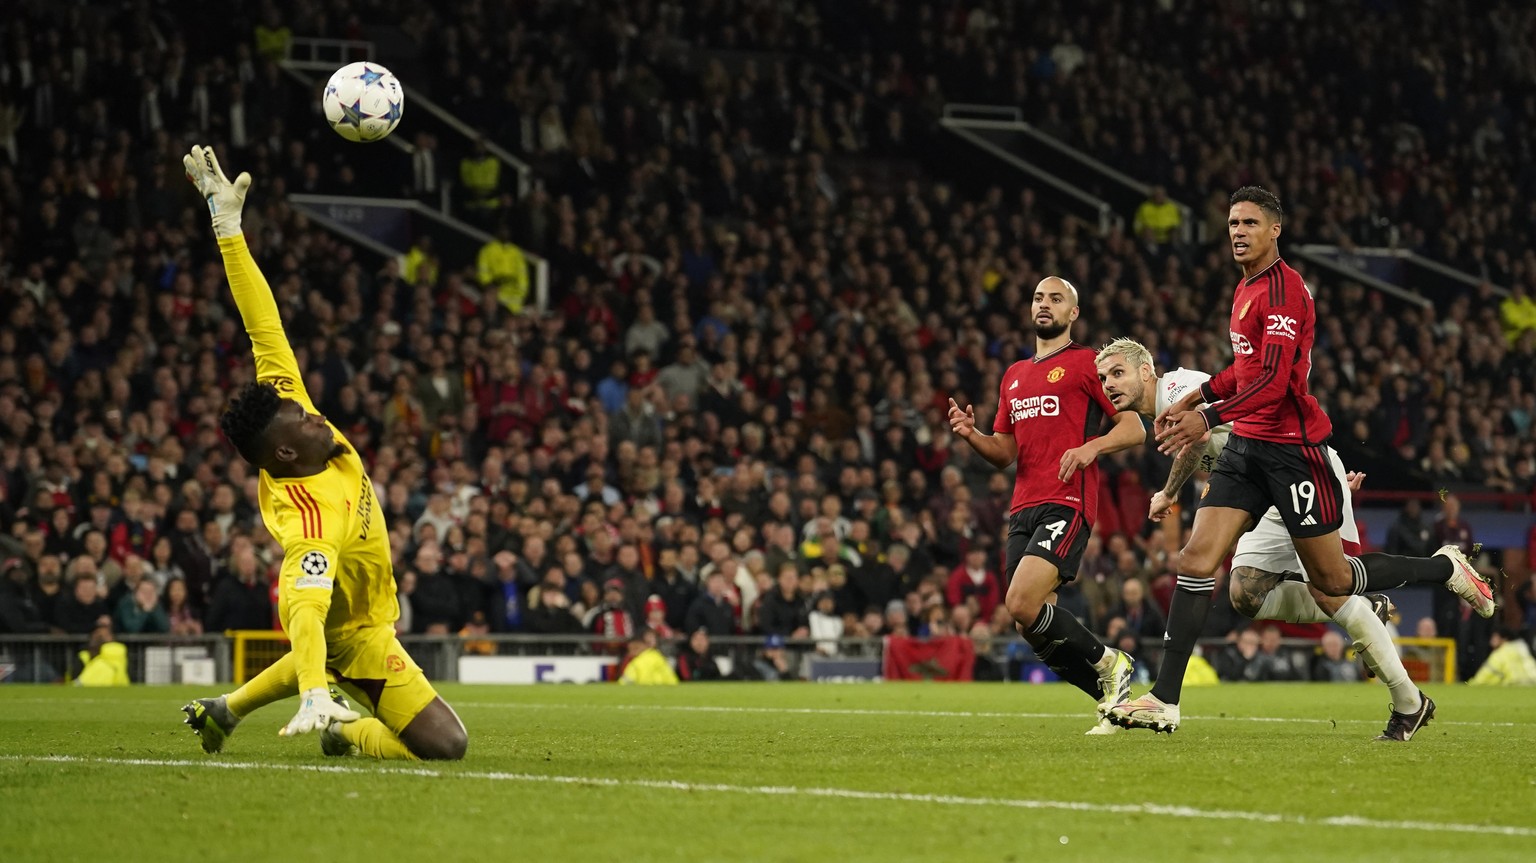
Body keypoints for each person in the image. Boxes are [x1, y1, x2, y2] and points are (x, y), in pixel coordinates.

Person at [1106, 188, 1494, 736]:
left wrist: (1207, 416)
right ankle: (1165, 700)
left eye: (1249, 223)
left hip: (1293, 454)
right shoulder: (1244, 289)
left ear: (1275, 231)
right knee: (1197, 562)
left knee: (1333, 582)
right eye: (1232, 223)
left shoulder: (1287, 293)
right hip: (1247, 452)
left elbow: (1272, 382)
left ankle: (1444, 568)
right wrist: (1202, 396)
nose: (1237, 232)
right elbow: (1243, 371)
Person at [178, 147, 467, 762]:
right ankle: (344, 729)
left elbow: (264, 324)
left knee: (329, 646)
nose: (315, 412)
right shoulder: (311, 520)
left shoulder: (288, 417)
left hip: (361, 612)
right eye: (304, 419)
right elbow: (301, 610)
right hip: (356, 634)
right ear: (284, 450)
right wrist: (311, 689)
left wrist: (226, 227)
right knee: (447, 746)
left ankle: (224, 711)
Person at [948, 275, 1146, 735]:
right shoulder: (1014, 375)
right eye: (1038, 297)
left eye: (1056, 299)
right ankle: (1109, 699)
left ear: (1072, 313)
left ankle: (1111, 661)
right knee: (1029, 624)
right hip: (1022, 508)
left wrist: (1090, 449)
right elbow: (1003, 452)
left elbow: (1134, 426)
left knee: (1019, 602)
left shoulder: (1085, 364)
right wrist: (970, 436)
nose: (1045, 304)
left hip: (1067, 501)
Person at [1467, 628, 1536, 686]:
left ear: (1504, 638)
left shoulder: (1500, 653)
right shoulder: (1521, 648)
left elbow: (1485, 674)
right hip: (1532, 683)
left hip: (1514, 684)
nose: (1491, 640)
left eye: (1495, 637)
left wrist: (1472, 683)